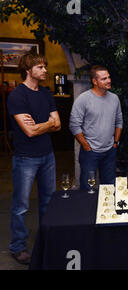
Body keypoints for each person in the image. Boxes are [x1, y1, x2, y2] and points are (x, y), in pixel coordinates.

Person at [7, 52, 61, 265]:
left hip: (47, 155)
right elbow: (29, 132)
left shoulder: (47, 93)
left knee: (48, 202)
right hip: (25, 158)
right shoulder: (17, 96)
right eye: (40, 67)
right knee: (21, 205)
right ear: (28, 70)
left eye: (45, 66)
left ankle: (46, 241)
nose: (45, 70)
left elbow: (58, 124)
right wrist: (47, 124)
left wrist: (42, 125)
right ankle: (18, 247)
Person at [69, 65, 123, 190]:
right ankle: (86, 209)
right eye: (104, 79)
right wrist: (86, 146)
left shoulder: (114, 99)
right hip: (90, 153)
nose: (108, 80)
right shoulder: (83, 99)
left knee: (109, 188)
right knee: (88, 188)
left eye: (109, 77)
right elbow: (74, 125)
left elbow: (119, 121)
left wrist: (115, 143)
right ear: (95, 81)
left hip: (110, 151)